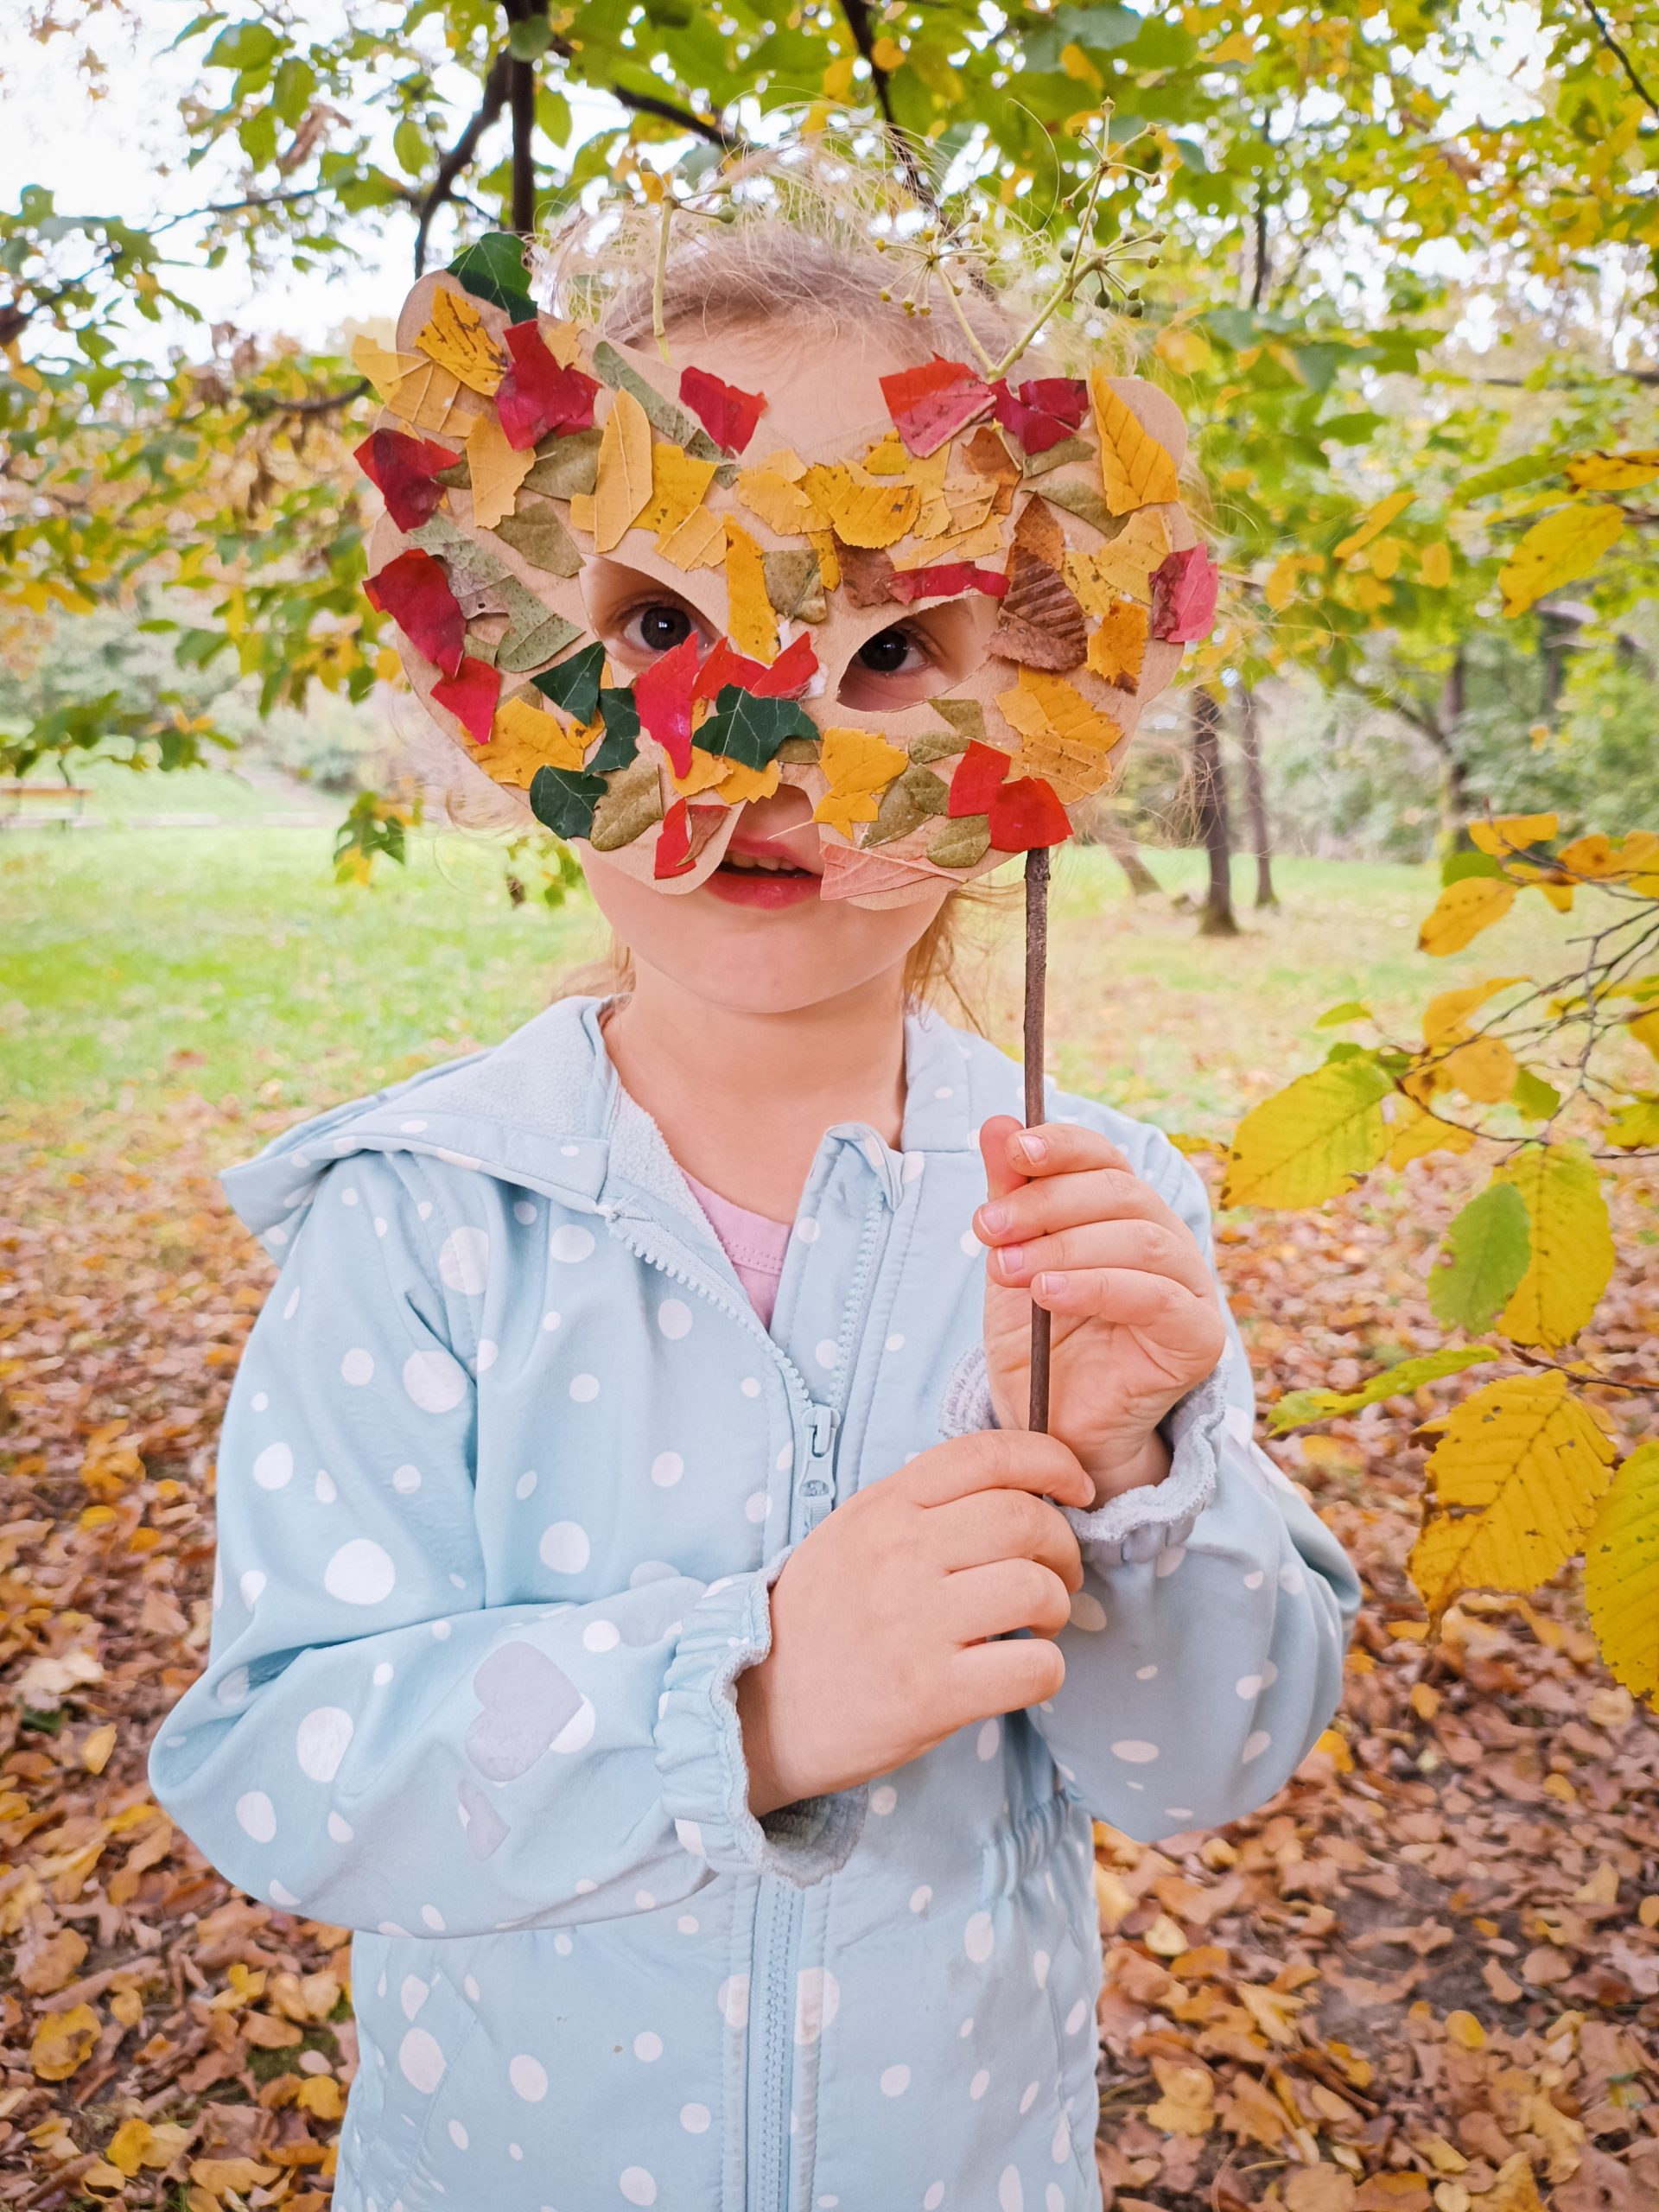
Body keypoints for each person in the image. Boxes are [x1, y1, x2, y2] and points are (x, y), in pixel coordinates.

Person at [150, 161, 1359, 2212]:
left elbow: (1206, 1765)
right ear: (508, 689)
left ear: (1047, 711)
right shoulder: (432, 1220)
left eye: (894, 646)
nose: (772, 744)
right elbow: (281, 1762)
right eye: (653, 624)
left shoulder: (1086, 1213)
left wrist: (1147, 1474)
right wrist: (751, 1695)